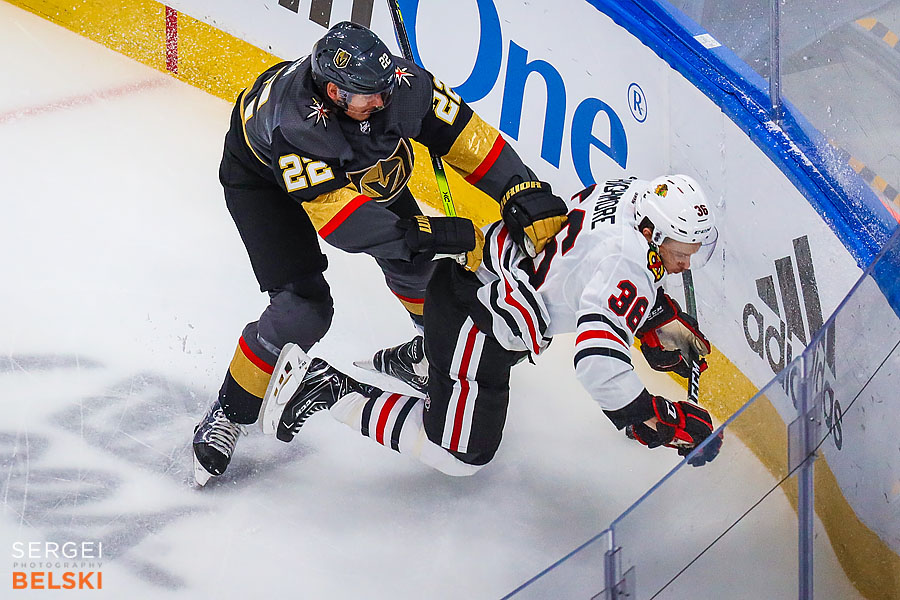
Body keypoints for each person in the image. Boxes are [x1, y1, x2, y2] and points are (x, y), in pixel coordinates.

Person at [192, 21, 568, 485]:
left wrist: (521, 187)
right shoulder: (298, 127)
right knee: (303, 309)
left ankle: (427, 353)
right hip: (263, 180)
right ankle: (229, 410)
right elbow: (344, 223)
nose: (385, 99)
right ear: (334, 92)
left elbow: (470, 139)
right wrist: (439, 234)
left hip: (350, 162)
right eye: (371, 95)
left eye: (387, 86)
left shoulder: (399, 87)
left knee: (417, 264)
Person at [259, 174, 723, 476]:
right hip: (476, 324)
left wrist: (653, 317)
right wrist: (651, 415)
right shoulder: (630, 264)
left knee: (500, 342)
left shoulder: (629, 192)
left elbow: (583, 266)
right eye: (681, 252)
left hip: (476, 285)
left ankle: (425, 361)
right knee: (462, 455)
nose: (684, 264)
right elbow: (597, 362)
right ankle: (325, 388)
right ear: (650, 232)